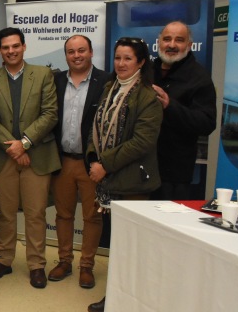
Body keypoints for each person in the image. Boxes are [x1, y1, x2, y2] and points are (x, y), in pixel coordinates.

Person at [86, 37, 163, 312]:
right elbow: (97, 127)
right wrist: (93, 159)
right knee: (118, 245)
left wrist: (104, 164)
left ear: (141, 62)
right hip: (109, 180)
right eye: (118, 58)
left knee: (131, 248)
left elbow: (143, 141)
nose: (121, 63)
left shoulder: (147, 96)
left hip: (133, 181)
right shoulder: (110, 88)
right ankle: (117, 296)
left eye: (128, 58)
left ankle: (126, 300)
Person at [0, 27, 59, 289]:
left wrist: (24, 144)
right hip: (3, 156)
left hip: (37, 155)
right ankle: (3, 259)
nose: (11, 51)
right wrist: (12, 148)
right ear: (0, 50)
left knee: (36, 213)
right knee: (4, 213)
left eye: (15, 46)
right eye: (5, 47)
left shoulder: (43, 75)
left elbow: (50, 113)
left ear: (24, 47)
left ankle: (37, 265)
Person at [48, 35, 107, 289]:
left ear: (91, 52)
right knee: (63, 215)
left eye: (81, 50)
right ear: (66, 56)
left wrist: (101, 161)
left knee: (92, 217)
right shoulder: (56, 80)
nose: (77, 55)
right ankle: (64, 261)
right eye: (71, 51)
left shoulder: (106, 81)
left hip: (91, 163)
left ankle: (87, 266)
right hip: (63, 160)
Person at [151, 21, 216, 200]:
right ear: (159, 42)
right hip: (142, 169)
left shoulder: (199, 78)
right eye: (167, 39)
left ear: (189, 45)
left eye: (179, 40)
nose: (172, 45)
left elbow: (207, 123)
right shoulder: (148, 71)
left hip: (174, 175)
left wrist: (170, 105)